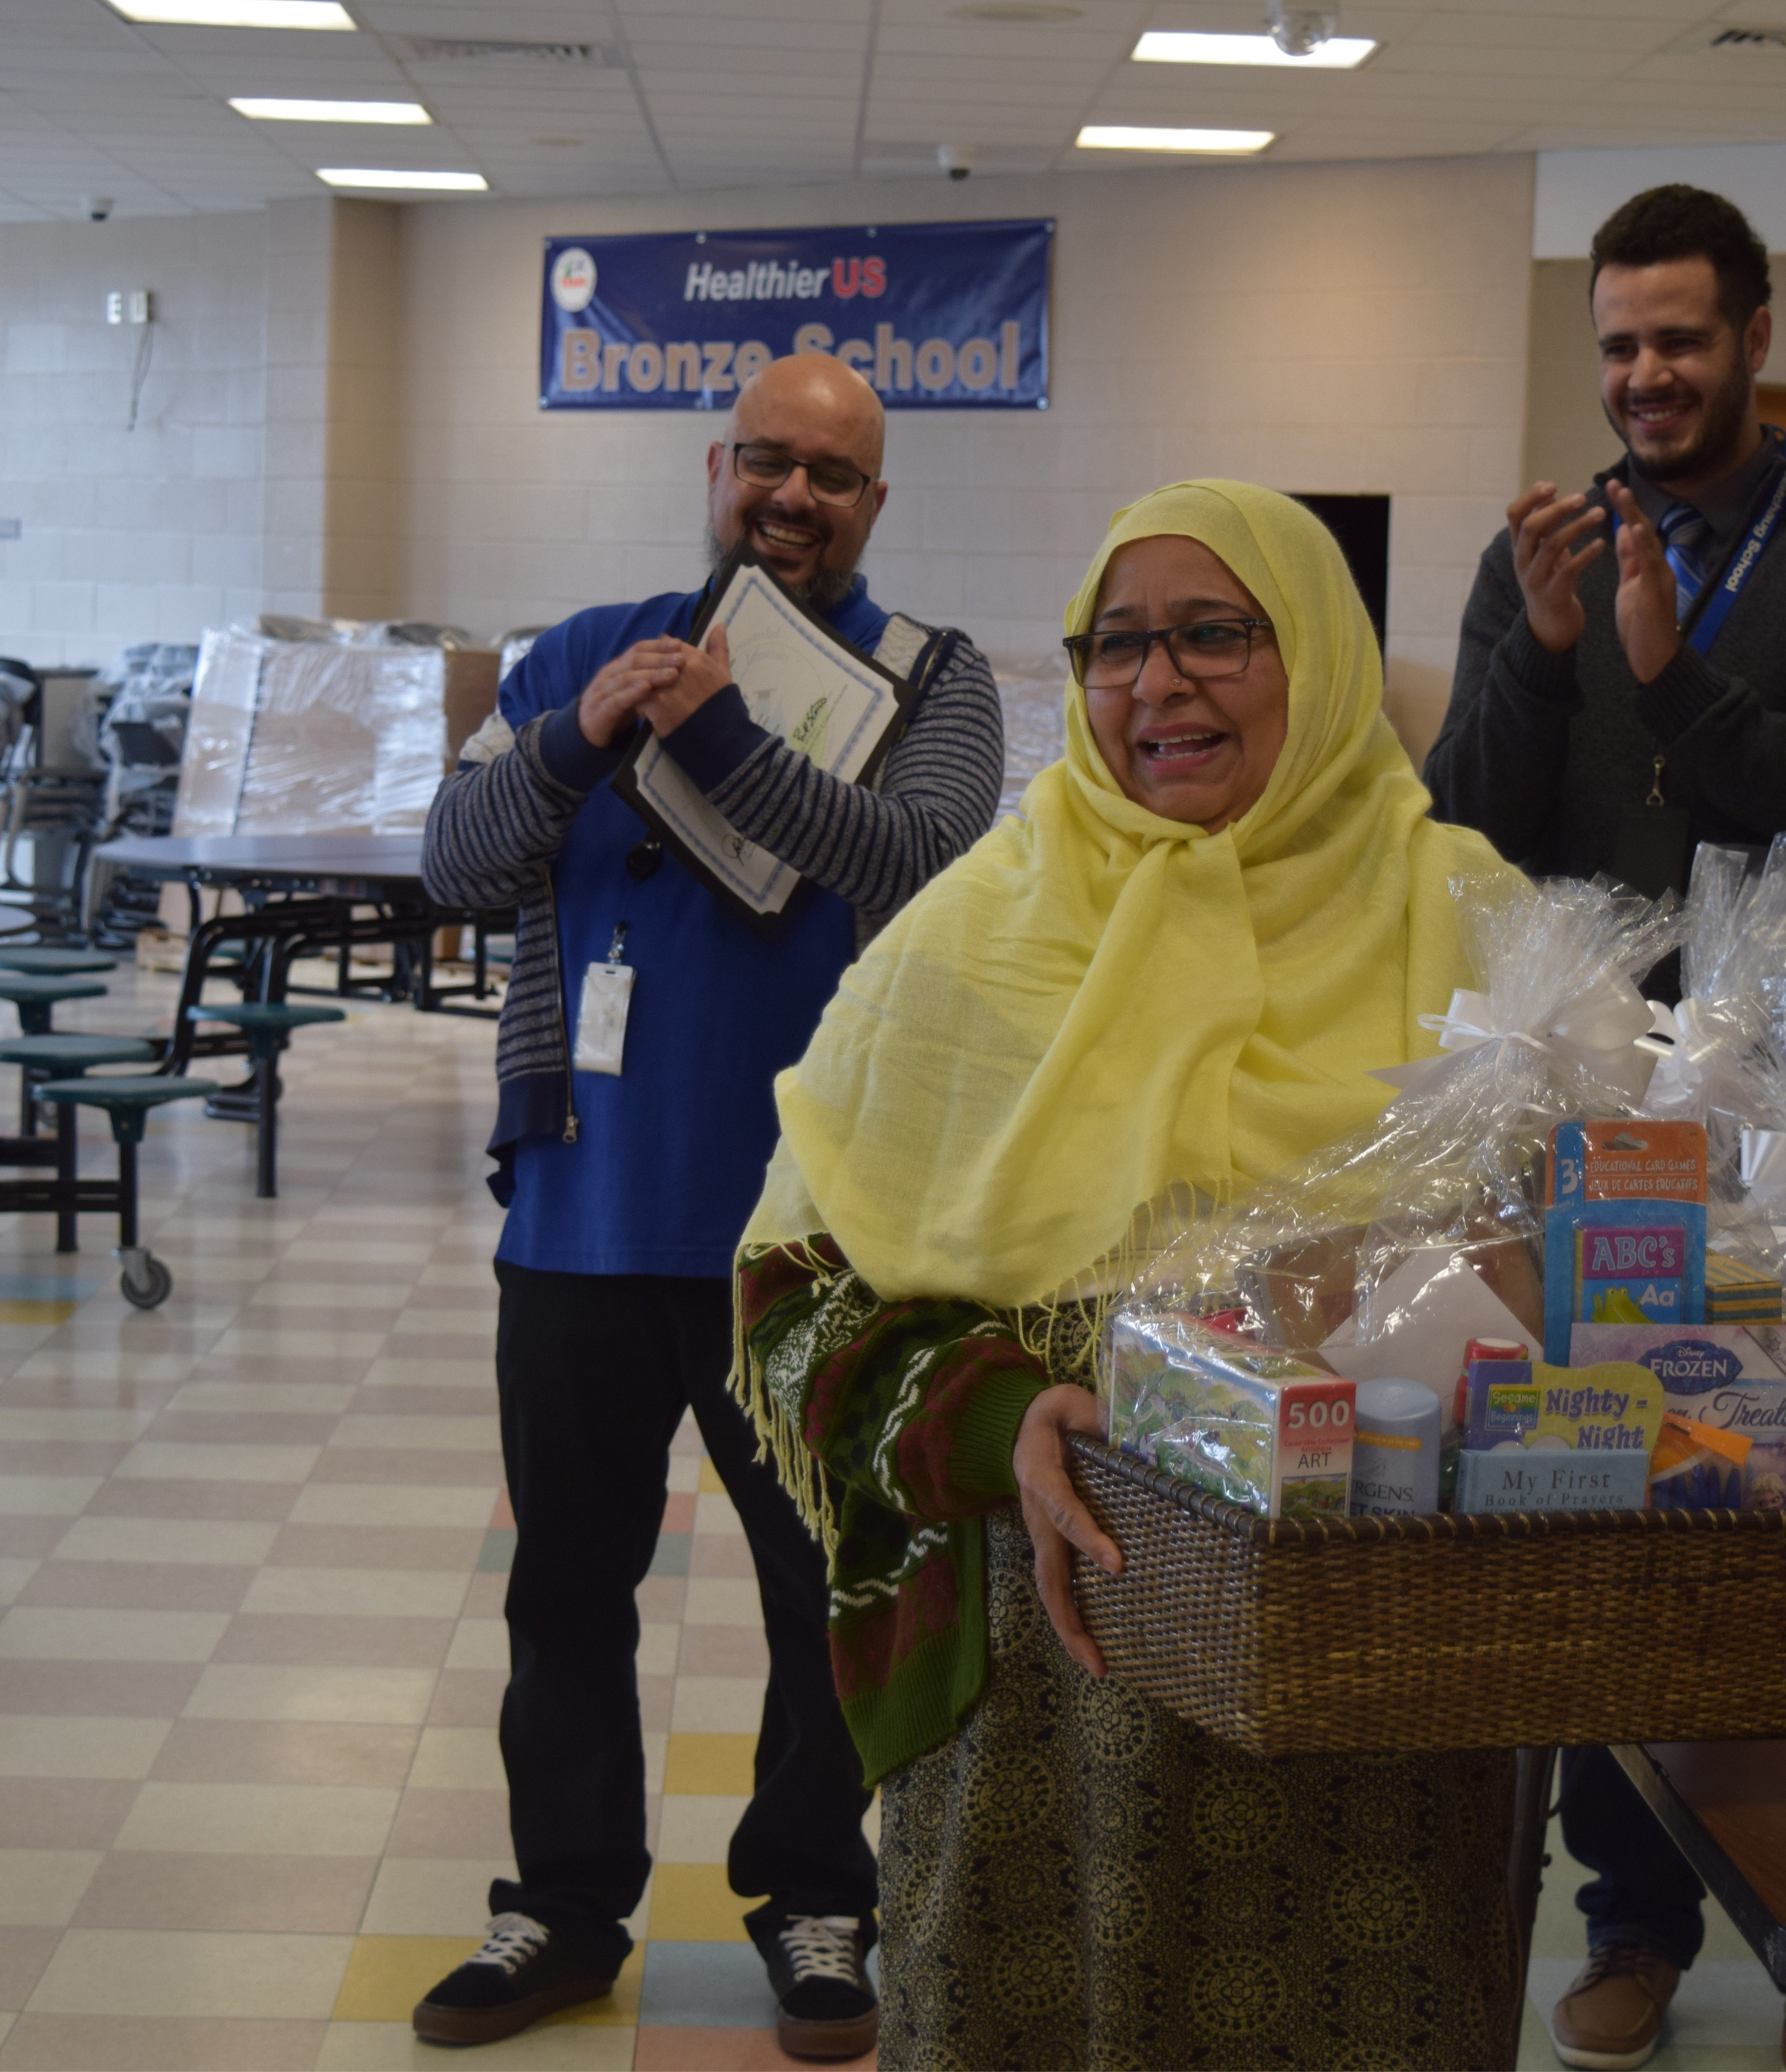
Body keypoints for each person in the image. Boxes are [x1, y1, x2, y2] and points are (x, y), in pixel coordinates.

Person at [735, 480, 1532, 2070]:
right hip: (1049, 1674)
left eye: (1215, 636)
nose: (1156, 686)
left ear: (1314, 653)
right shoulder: (969, 936)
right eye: (1116, 647)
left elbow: (1600, 1265)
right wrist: (996, 1421)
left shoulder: (1473, 917)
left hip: (1373, 1691)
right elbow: (790, 1294)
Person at [413, 352, 1003, 2059]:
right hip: (583, 1225)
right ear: (718, 467)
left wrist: (725, 739)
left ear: (873, 507)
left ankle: (818, 1902)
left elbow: (922, 866)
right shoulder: (593, 649)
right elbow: (453, 864)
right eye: (768, 461)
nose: (793, 497)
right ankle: (565, 1909)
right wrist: (580, 737)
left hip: (811, 1244)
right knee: (565, 1596)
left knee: (828, 1594)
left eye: (833, 475)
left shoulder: (933, 682)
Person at [1421, 184, 1786, 2072]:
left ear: (1751, 333)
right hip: (1592, 1125)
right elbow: (1466, 835)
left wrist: (1667, 675)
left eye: (1680, 338)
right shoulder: (1542, 550)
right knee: (1612, 1490)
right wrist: (1546, 649)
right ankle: (1631, 1916)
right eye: (1620, 346)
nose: (1646, 376)